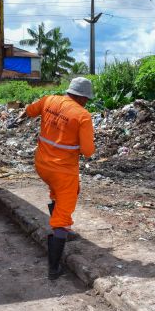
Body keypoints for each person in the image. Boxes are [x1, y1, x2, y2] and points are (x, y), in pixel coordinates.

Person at [24, 77, 95, 280]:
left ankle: (62, 229)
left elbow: (30, 110)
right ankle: (54, 268)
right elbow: (88, 151)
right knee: (63, 213)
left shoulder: (49, 100)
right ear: (82, 98)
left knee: (61, 192)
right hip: (63, 171)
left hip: (42, 165)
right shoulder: (82, 115)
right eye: (87, 99)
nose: (86, 103)